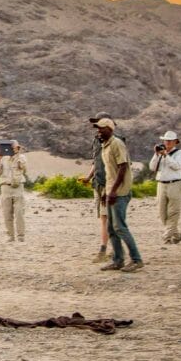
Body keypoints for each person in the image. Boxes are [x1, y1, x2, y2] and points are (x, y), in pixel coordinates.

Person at [94, 118, 144, 272]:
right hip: (111, 191)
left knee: (120, 227)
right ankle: (118, 260)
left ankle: (136, 260)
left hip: (120, 192)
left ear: (110, 129)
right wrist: (105, 192)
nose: (99, 131)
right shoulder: (105, 146)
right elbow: (110, 172)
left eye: (101, 128)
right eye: (97, 129)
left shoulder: (117, 144)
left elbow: (123, 167)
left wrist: (114, 190)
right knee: (111, 228)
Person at [80, 112, 112, 262]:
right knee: (105, 218)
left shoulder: (116, 142)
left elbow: (121, 166)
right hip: (97, 183)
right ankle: (111, 249)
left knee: (107, 218)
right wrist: (88, 177)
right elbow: (96, 161)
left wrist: (111, 188)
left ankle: (104, 250)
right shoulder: (96, 141)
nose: (97, 127)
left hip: (109, 184)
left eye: (100, 123)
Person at [149, 130, 181, 244]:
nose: (167, 143)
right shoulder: (160, 153)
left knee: (173, 211)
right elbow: (152, 167)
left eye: (170, 141)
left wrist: (166, 156)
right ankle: (176, 234)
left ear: (175, 142)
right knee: (162, 212)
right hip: (161, 184)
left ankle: (167, 236)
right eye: (166, 141)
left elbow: (177, 166)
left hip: (174, 183)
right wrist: (157, 154)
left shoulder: (180, 153)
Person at [0, 140, 28, 242]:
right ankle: (10, 236)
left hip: (18, 188)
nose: (12, 149)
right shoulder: (2, 158)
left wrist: (17, 155)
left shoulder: (22, 157)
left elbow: (24, 168)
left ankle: (21, 236)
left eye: (15, 147)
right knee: (7, 214)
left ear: (18, 147)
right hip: (5, 188)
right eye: (10, 147)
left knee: (19, 213)